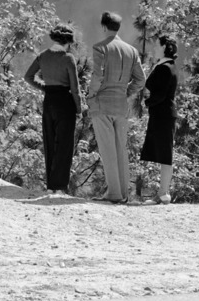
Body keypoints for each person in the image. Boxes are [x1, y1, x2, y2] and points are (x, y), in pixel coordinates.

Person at [86, 10, 145, 203]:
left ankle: (113, 193)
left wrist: (91, 94)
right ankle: (123, 193)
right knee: (121, 148)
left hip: (102, 103)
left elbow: (97, 75)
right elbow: (140, 80)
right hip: (121, 106)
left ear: (104, 27)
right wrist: (126, 93)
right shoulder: (131, 50)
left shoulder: (100, 48)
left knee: (107, 149)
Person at [24, 23, 81, 195]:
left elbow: (28, 77)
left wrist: (44, 87)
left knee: (49, 142)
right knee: (64, 145)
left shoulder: (43, 56)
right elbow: (75, 88)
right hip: (65, 102)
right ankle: (60, 187)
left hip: (48, 101)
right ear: (68, 41)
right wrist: (78, 109)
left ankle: (50, 186)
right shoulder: (68, 58)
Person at [137, 36, 178, 203]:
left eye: (157, 45)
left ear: (163, 47)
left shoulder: (164, 68)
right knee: (164, 153)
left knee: (165, 154)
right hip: (164, 114)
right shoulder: (168, 65)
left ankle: (163, 193)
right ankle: (163, 192)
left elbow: (160, 94)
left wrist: (146, 102)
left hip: (163, 114)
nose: (154, 47)